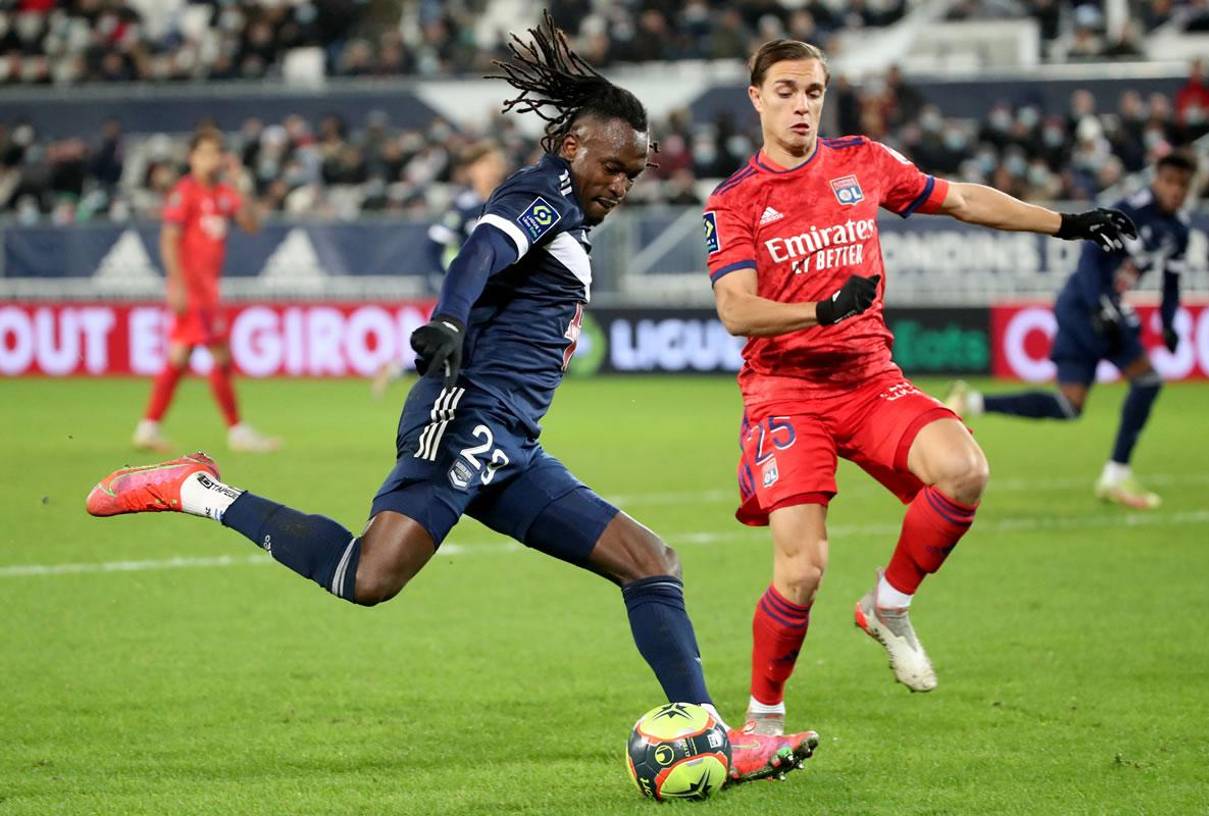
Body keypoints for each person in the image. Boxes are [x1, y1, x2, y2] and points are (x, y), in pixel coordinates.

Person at [89, 16, 817, 784]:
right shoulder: (544, 194)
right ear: (575, 147)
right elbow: (483, 249)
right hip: (464, 416)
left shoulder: (572, 209)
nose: (621, 185)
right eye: (614, 167)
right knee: (367, 578)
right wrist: (446, 321)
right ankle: (198, 489)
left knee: (650, 562)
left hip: (512, 445)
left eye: (633, 175)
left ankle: (714, 736)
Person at [702, 39, 1136, 735]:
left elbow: (961, 199)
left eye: (813, 92)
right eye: (785, 91)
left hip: (870, 381)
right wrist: (821, 310)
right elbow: (735, 309)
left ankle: (888, 604)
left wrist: (1067, 223)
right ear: (755, 97)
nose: (801, 105)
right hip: (786, 392)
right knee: (802, 572)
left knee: (964, 469)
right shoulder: (734, 201)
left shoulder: (863, 162)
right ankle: (762, 720)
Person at [947, 152, 1197, 509]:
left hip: (1111, 309)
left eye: (1182, 186)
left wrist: (1169, 322)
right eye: (1170, 182)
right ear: (1156, 179)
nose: (1175, 191)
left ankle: (972, 402)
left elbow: (1172, 283)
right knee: (1108, 392)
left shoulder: (1180, 231)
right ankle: (1115, 475)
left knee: (1105, 395)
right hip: (1082, 306)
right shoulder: (1131, 209)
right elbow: (1091, 257)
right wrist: (1097, 306)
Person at [133, 129, 280, 454]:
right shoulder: (185, 193)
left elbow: (252, 224)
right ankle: (237, 431)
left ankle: (148, 426)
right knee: (219, 356)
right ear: (193, 157)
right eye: (206, 153)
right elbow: (169, 239)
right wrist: (177, 284)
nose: (212, 159)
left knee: (180, 356)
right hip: (194, 289)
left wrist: (242, 183)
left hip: (207, 288)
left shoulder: (224, 193)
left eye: (217, 153)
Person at [371, 141, 508, 397]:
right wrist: (452, 280)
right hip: (474, 292)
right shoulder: (464, 207)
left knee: (471, 350)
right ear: (472, 170)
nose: (493, 169)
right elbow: (435, 246)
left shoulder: (508, 201)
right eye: (486, 164)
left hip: (499, 289)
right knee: (466, 348)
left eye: (496, 163)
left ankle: (398, 369)